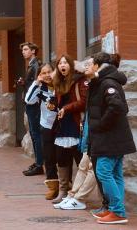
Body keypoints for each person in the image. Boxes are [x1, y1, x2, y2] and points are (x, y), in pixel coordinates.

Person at [86, 52, 136, 225]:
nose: (87, 66)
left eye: (90, 63)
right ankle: (115, 209)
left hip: (111, 137)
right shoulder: (101, 81)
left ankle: (118, 211)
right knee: (114, 173)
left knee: (103, 172)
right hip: (113, 136)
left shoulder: (107, 83)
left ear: (98, 65)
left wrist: (101, 125)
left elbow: (117, 107)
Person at [50, 55, 88, 204]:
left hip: (76, 123)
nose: (62, 65)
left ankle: (78, 193)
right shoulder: (58, 81)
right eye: (60, 63)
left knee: (79, 159)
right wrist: (53, 105)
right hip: (62, 125)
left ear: (71, 65)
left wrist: (66, 108)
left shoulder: (80, 81)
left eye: (65, 62)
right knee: (62, 158)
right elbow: (58, 101)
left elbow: (84, 102)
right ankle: (63, 190)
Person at [26, 62, 58, 199]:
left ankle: (66, 184)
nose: (46, 75)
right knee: (49, 157)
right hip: (46, 125)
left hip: (62, 126)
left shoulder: (60, 86)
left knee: (63, 157)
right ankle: (53, 186)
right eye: (43, 73)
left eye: (48, 72)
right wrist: (36, 83)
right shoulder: (40, 88)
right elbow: (28, 100)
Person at [19, 42, 44, 176]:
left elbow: (37, 84)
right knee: (34, 135)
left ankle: (40, 164)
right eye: (23, 50)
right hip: (30, 103)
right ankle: (38, 161)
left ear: (33, 51)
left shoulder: (36, 65)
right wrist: (24, 82)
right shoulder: (31, 65)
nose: (23, 52)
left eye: (26, 49)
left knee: (36, 134)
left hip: (34, 104)